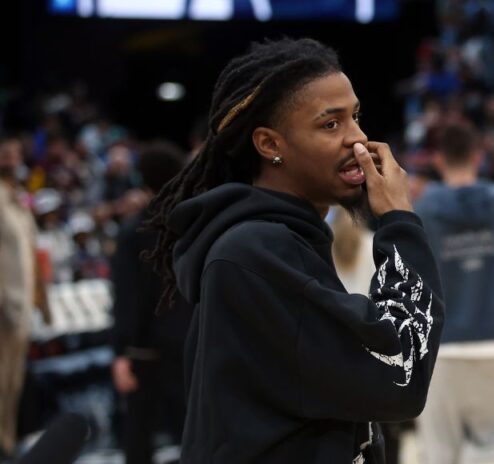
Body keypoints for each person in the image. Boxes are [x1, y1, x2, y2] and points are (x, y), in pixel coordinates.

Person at [145, 38, 445, 463]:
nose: (358, 140)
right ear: (270, 145)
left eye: (356, 117)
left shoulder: (277, 239)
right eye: (331, 125)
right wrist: (399, 222)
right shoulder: (257, 251)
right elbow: (399, 375)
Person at [414, 122, 494, 464]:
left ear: (439, 160)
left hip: (442, 352)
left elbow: (413, 283)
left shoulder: (424, 211)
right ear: (479, 157)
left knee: (439, 454)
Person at [110, 140, 192, 464]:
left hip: (145, 348)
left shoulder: (134, 231)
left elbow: (127, 297)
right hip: (190, 339)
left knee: (139, 434)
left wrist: (120, 351)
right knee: (193, 430)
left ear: (141, 178)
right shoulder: (195, 223)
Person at [0, 137, 43, 458]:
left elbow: (30, 252)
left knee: (12, 384)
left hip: (20, 306)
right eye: (7, 153)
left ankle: (6, 442)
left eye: (16, 153)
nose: (14, 158)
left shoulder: (17, 199)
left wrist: (41, 300)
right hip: (3, 307)